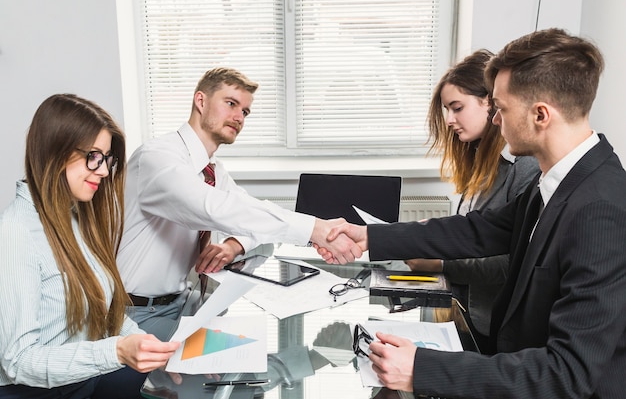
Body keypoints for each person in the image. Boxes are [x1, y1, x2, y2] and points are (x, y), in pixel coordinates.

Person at [322, 28, 626, 398]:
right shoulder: (556, 181)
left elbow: (566, 373)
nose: (495, 119)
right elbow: (478, 230)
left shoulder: (601, 210)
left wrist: (421, 369)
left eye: (500, 107)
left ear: (541, 115)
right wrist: (371, 237)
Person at [118, 67, 361, 341]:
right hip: (134, 314)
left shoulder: (213, 171)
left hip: (183, 303)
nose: (238, 117)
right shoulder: (158, 158)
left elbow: (247, 213)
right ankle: (318, 357)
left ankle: (316, 358)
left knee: (251, 344)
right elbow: (213, 208)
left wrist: (233, 244)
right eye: (231, 103)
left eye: (245, 112)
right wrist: (315, 230)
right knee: (230, 361)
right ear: (201, 101)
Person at [0, 94, 180, 399]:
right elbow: (18, 361)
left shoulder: (74, 216)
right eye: (93, 157)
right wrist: (119, 351)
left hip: (83, 382)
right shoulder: (16, 233)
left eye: (107, 159)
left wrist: (150, 349)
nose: (105, 171)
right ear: (55, 151)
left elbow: (107, 313)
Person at [404, 49, 539, 351]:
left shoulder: (523, 167)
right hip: (464, 311)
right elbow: (471, 232)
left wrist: (440, 263)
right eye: (447, 110)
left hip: (493, 323)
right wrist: (434, 234)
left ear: (489, 102)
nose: (450, 120)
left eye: (457, 108)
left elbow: (511, 264)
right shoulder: (478, 158)